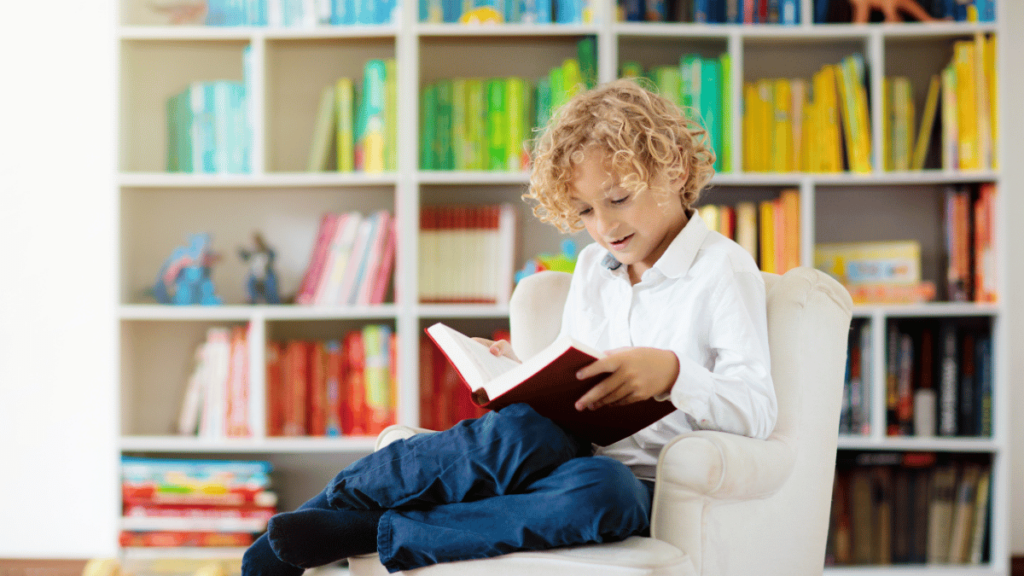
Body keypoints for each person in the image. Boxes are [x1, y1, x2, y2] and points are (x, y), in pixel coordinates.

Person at [242, 78, 777, 576]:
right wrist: (516, 371)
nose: (604, 227)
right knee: (525, 430)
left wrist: (673, 373)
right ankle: (333, 505)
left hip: (637, 482)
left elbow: (757, 408)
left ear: (675, 172)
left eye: (618, 199)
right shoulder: (594, 268)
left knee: (603, 495)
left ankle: (375, 531)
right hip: (564, 450)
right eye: (584, 210)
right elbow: (581, 378)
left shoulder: (723, 269)